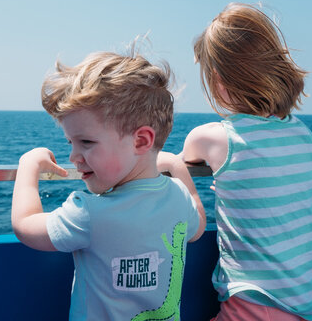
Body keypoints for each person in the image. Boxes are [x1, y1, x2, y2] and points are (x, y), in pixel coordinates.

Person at [11, 47, 206, 320]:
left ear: (141, 141)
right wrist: (175, 166)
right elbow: (197, 227)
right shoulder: (179, 198)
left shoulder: (88, 212)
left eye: (87, 142)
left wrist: (28, 165)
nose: (73, 156)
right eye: (71, 142)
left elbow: (25, 225)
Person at [178, 3, 312, 320]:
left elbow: (188, 157)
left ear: (218, 81)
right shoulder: (303, 135)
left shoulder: (215, 138)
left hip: (255, 309)